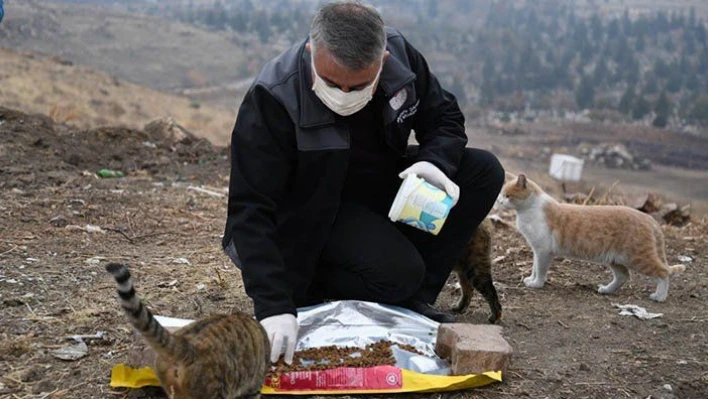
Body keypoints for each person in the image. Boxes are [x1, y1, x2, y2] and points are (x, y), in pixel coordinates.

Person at [222, 0, 504, 365]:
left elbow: (444, 117)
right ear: (311, 53)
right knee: (398, 272)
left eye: (358, 86)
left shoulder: (401, 60)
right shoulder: (273, 97)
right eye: (330, 82)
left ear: (381, 62)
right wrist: (274, 303)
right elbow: (250, 208)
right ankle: (322, 289)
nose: (343, 95)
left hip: (373, 188)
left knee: (482, 171)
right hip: (307, 217)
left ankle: (414, 298)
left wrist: (435, 163)